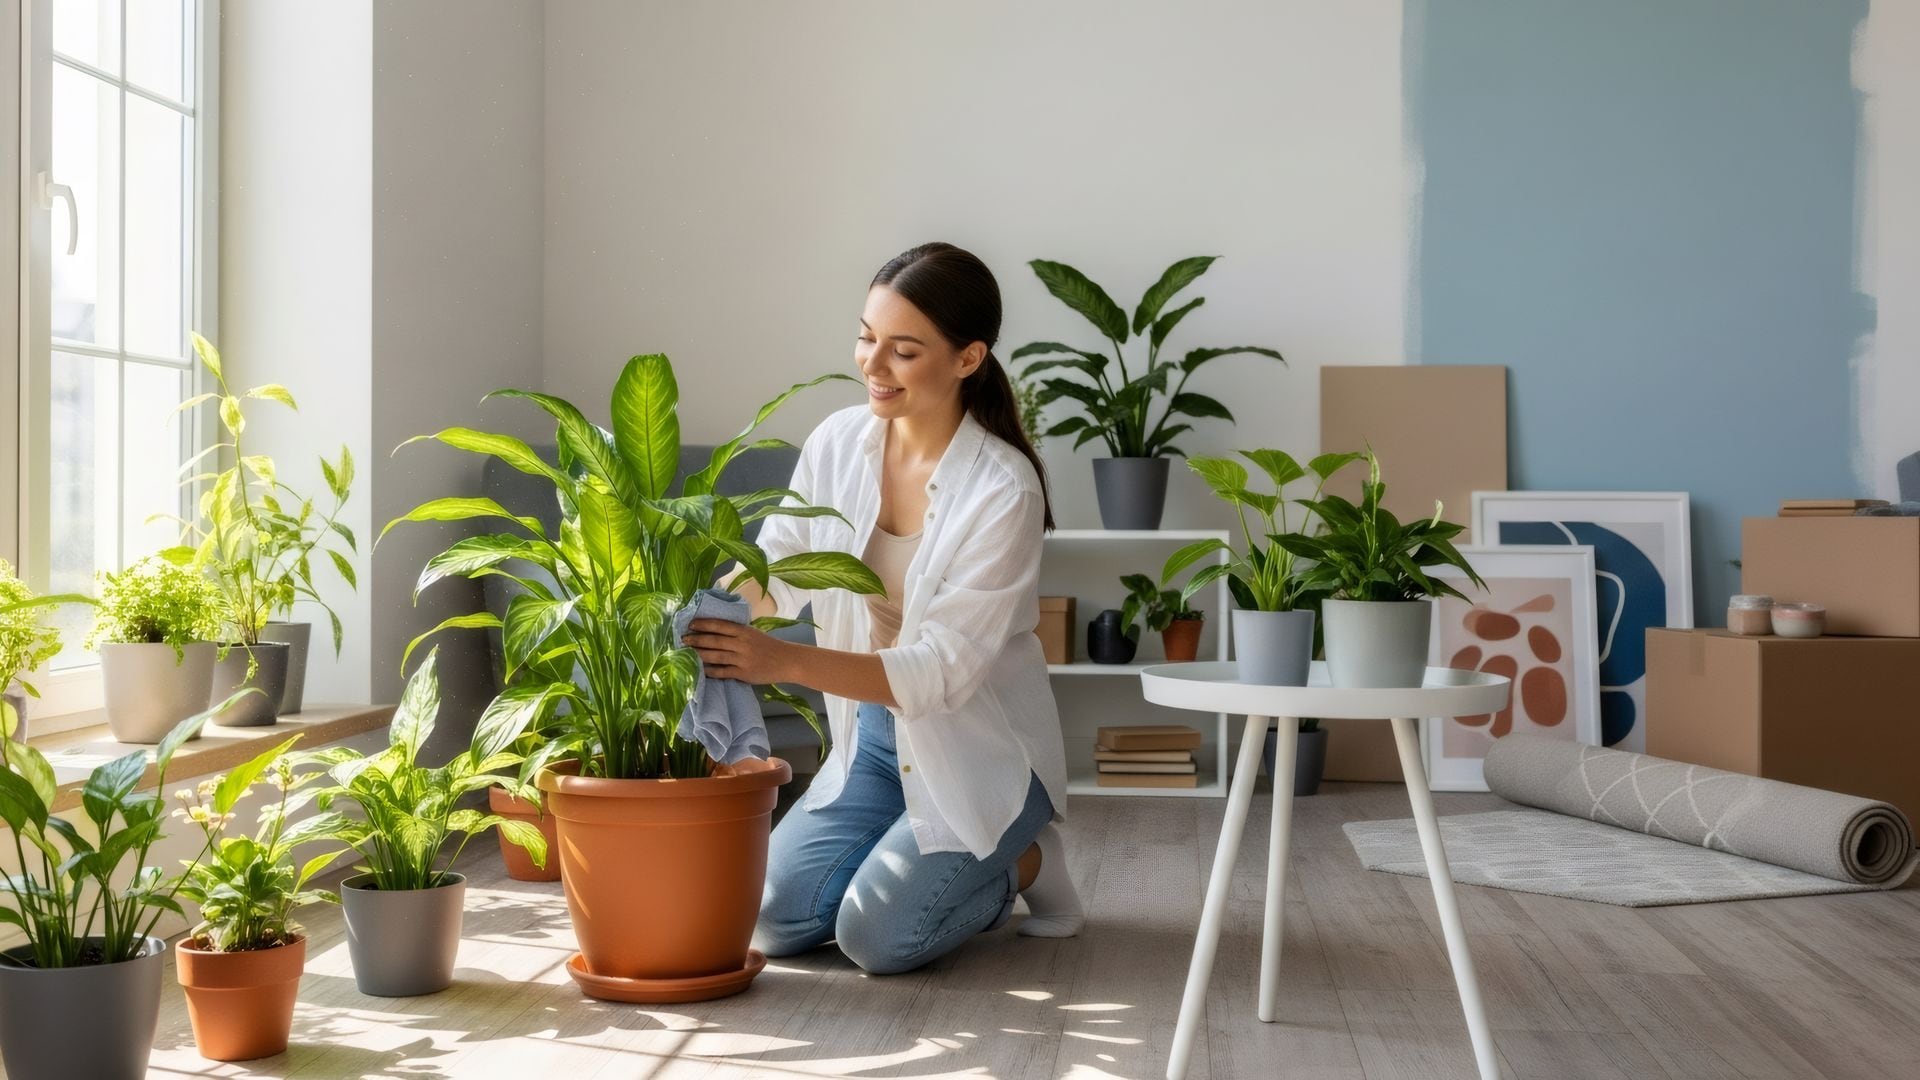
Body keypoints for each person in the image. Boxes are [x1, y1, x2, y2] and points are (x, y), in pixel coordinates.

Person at [680, 241, 1083, 975]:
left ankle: (1022, 861)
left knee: (879, 940)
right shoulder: (839, 441)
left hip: (980, 750)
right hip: (873, 739)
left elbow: (941, 675)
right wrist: (714, 613)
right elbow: (782, 567)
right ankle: (906, 844)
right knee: (773, 920)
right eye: (866, 338)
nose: (871, 364)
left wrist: (782, 659)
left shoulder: (1003, 489)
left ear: (968, 358)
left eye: (903, 350)